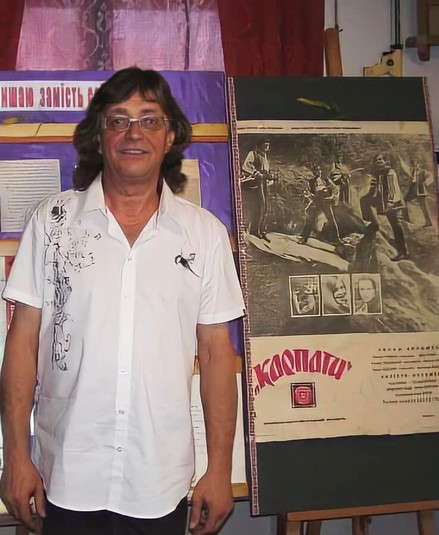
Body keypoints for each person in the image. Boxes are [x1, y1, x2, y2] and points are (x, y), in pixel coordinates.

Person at [0, 67, 244, 535]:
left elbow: (216, 355)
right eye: (118, 120)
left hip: (158, 479)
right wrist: (15, 455)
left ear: (170, 136)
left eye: (150, 119)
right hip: (66, 474)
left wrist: (218, 469)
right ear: (99, 135)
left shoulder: (204, 235)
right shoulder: (52, 222)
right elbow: (22, 341)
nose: (134, 133)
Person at [360, 152, 409, 261]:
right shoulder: (377, 173)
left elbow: (393, 188)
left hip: (392, 202)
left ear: (385, 161)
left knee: (396, 225)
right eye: (377, 160)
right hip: (381, 201)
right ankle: (370, 224)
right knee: (363, 200)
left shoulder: (390, 172)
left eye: (381, 159)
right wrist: (371, 191)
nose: (379, 161)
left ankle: (403, 252)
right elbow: (375, 189)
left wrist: (391, 202)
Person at [299, 165, 342, 245]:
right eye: (317, 171)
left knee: (332, 220)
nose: (319, 172)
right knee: (310, 220)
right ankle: (304, 238)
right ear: (314, 172)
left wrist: (331, 197)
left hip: (325, 203)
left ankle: (337, 239)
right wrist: (311, 197)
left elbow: (334, 190)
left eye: (320, 171)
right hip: (316, 202)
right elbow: (309, 192)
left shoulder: (327, 180)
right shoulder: (311, 182)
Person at [240, 138, 271, 239]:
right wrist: (255, 172)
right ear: (260, 145)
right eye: (265, 145)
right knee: (259, 206)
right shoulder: (253, 154)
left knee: (265, 207)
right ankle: (254, 230)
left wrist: (269, 177)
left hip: (264, 182)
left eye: (268, 145)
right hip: (256, 182)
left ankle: (261, 230)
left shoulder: (264, 156)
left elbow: (266, 169)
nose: (267, 147)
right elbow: (246, 165)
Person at [404, 160, 433, 227]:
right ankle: (407, 218)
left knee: (424, 207)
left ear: (419, 165)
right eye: (414, 165)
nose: (415, 166)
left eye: (416, 165)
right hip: (413, 189)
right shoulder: (412, 172)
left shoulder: (423, 172)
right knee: (405, 200)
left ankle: (428, 222)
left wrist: (426, 182)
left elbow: (430, 176)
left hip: (420, 191)